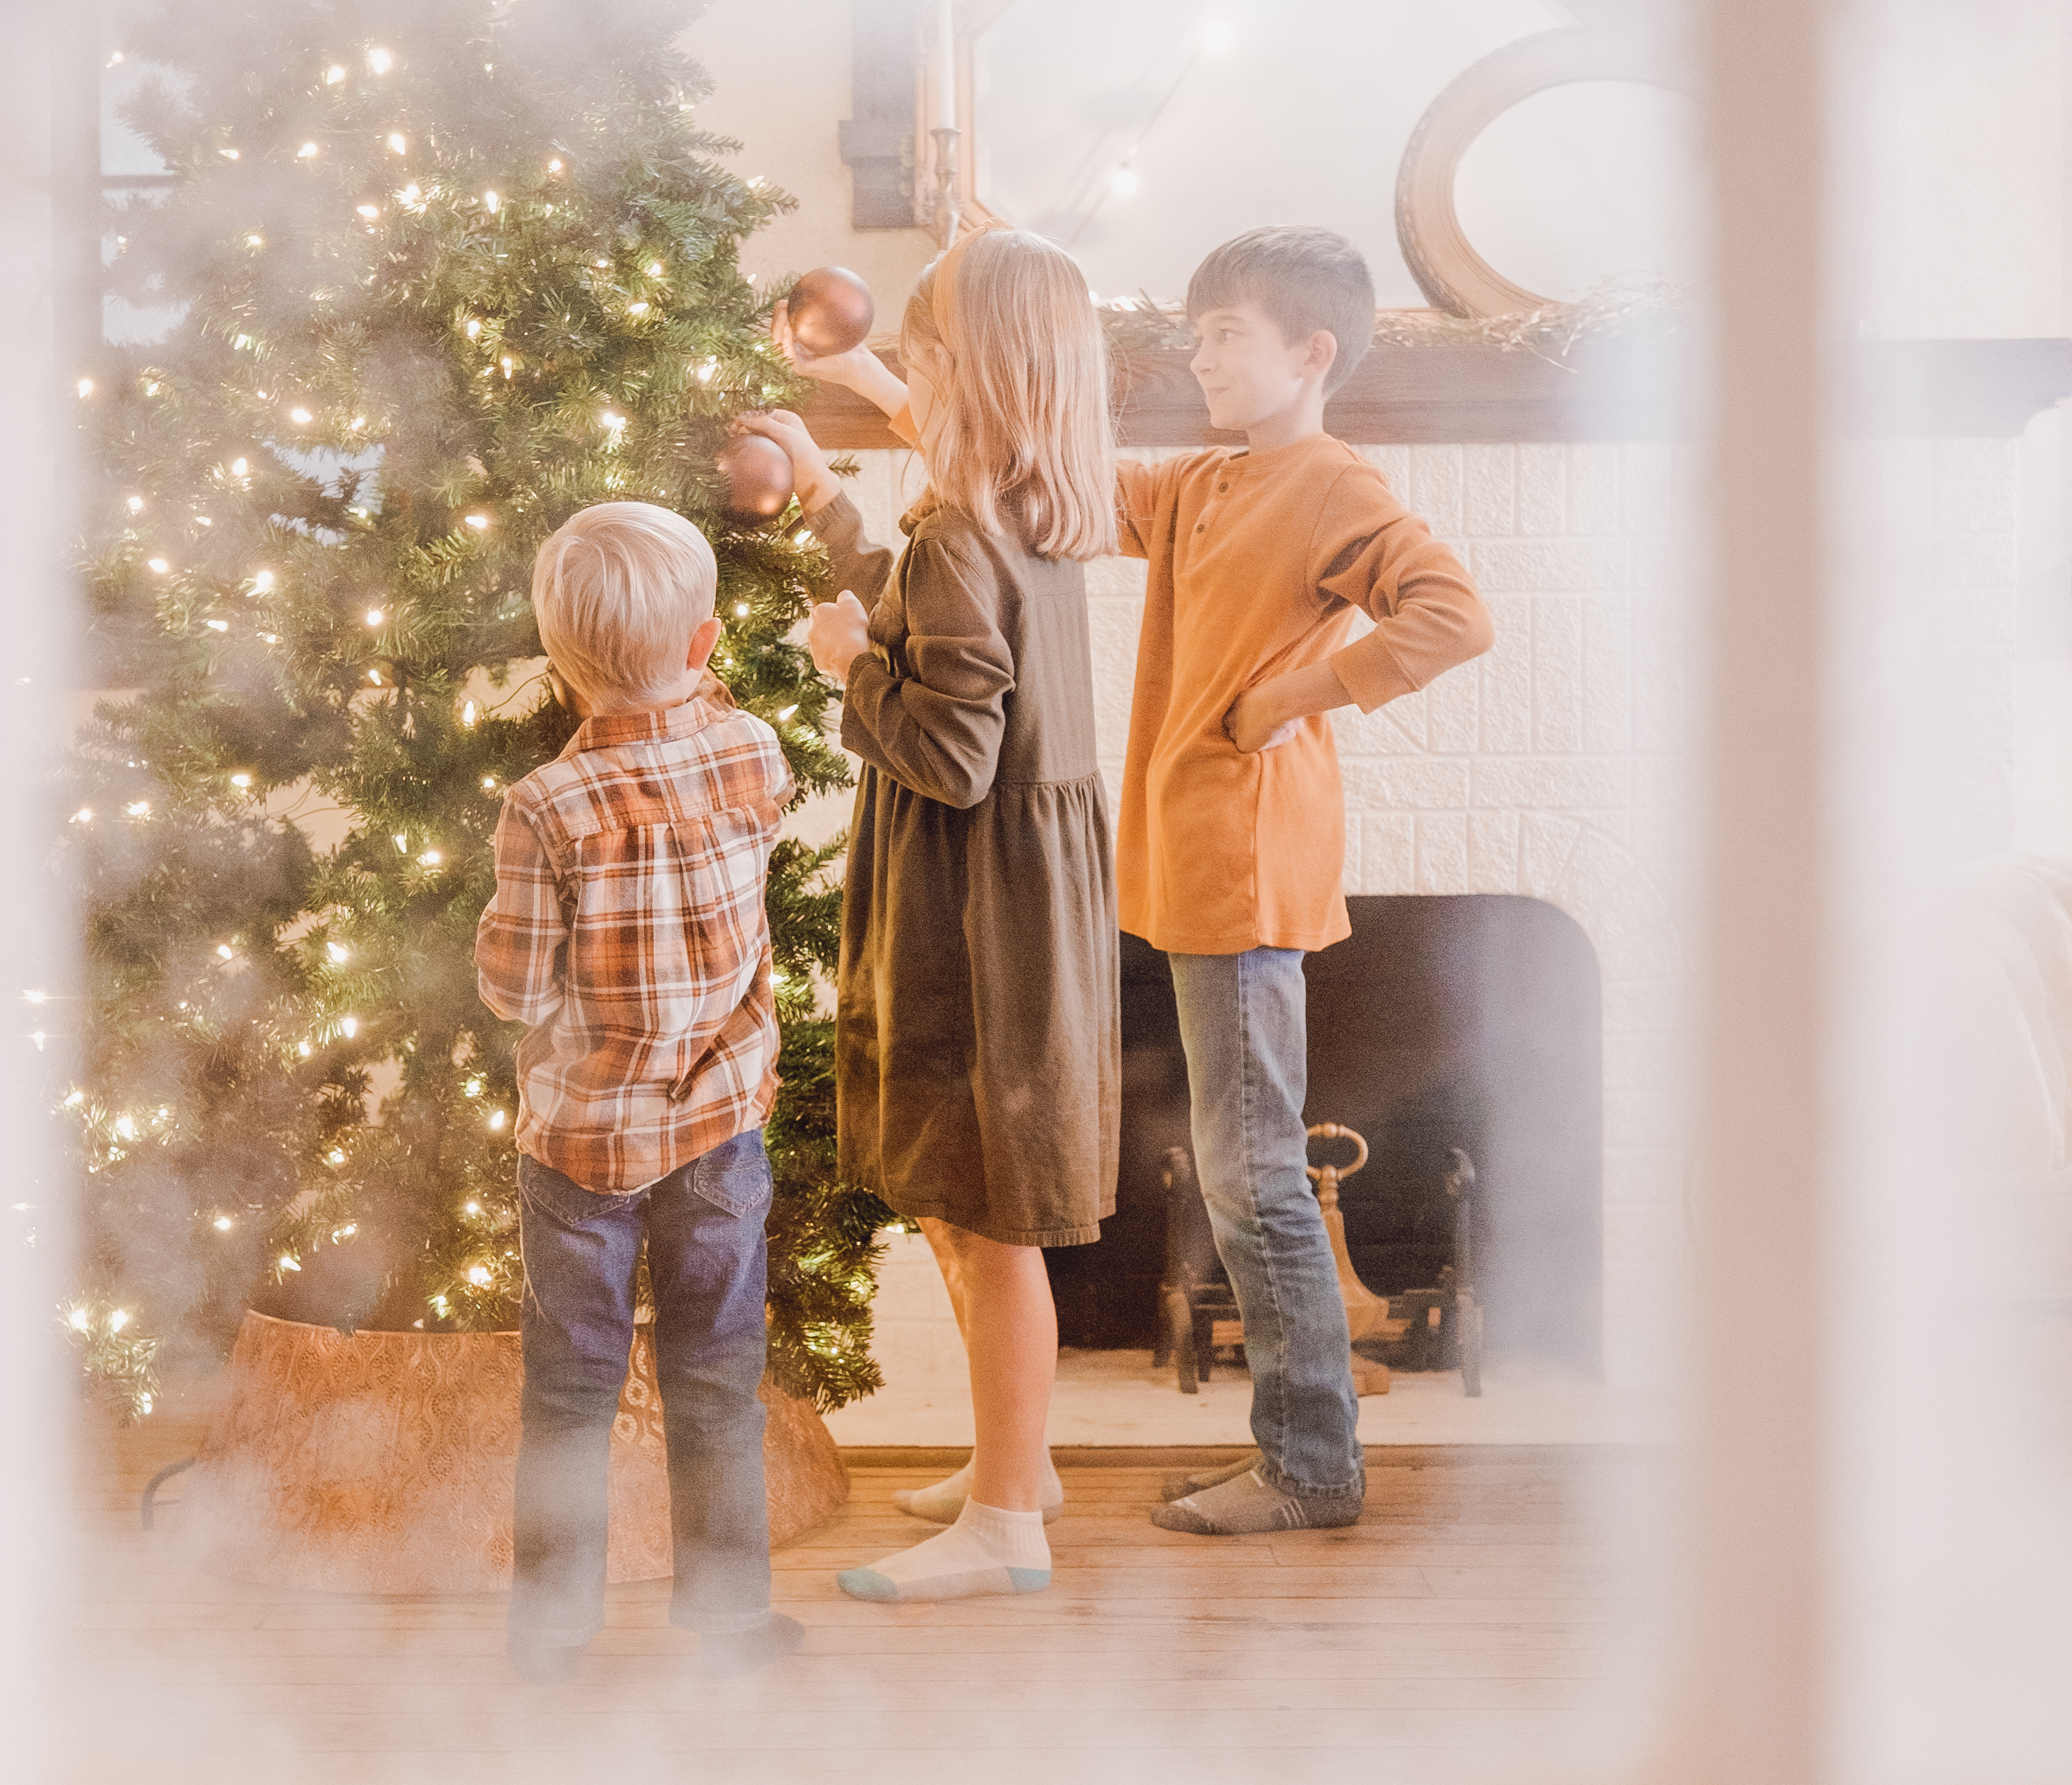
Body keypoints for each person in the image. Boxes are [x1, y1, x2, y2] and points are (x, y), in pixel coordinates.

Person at [779, 221, 1494, 1543]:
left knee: (1252, 1177)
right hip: (1173, 865)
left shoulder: (1329, 487)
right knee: (1234, 1169)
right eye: (1194, 330)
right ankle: (1253, 1456)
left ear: (1310, 353)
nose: (1194, 354)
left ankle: (1307, 1465)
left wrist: (1299, 688)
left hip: (1241, 873)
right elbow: (1026, 474)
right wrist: (883, 391)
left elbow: (1450, 612)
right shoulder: (1205, 484)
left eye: (1224, 335)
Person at [737, 231, 1119, 1604]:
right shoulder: (1027, 508)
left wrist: (843, 665)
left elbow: (948, 753)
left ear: (974, 375)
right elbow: (933, 620)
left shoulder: (962, 532)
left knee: (981, 1209)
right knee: (973, 1207)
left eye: (923, 356)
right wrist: (833, 482)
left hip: (977, 914)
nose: (909, 377)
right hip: (1025, 894)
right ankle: (1018, 1462)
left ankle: (1007, 1524)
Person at [477, 499, 802, 1678]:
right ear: (706, 645)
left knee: (569, 1389)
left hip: (579, 1146)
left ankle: (552, 1636)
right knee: (717, 1379)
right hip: (718, 1128)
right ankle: (727, 1621)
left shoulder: (544, 807)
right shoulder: (752, 749)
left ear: (557, 665)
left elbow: (513, 988)